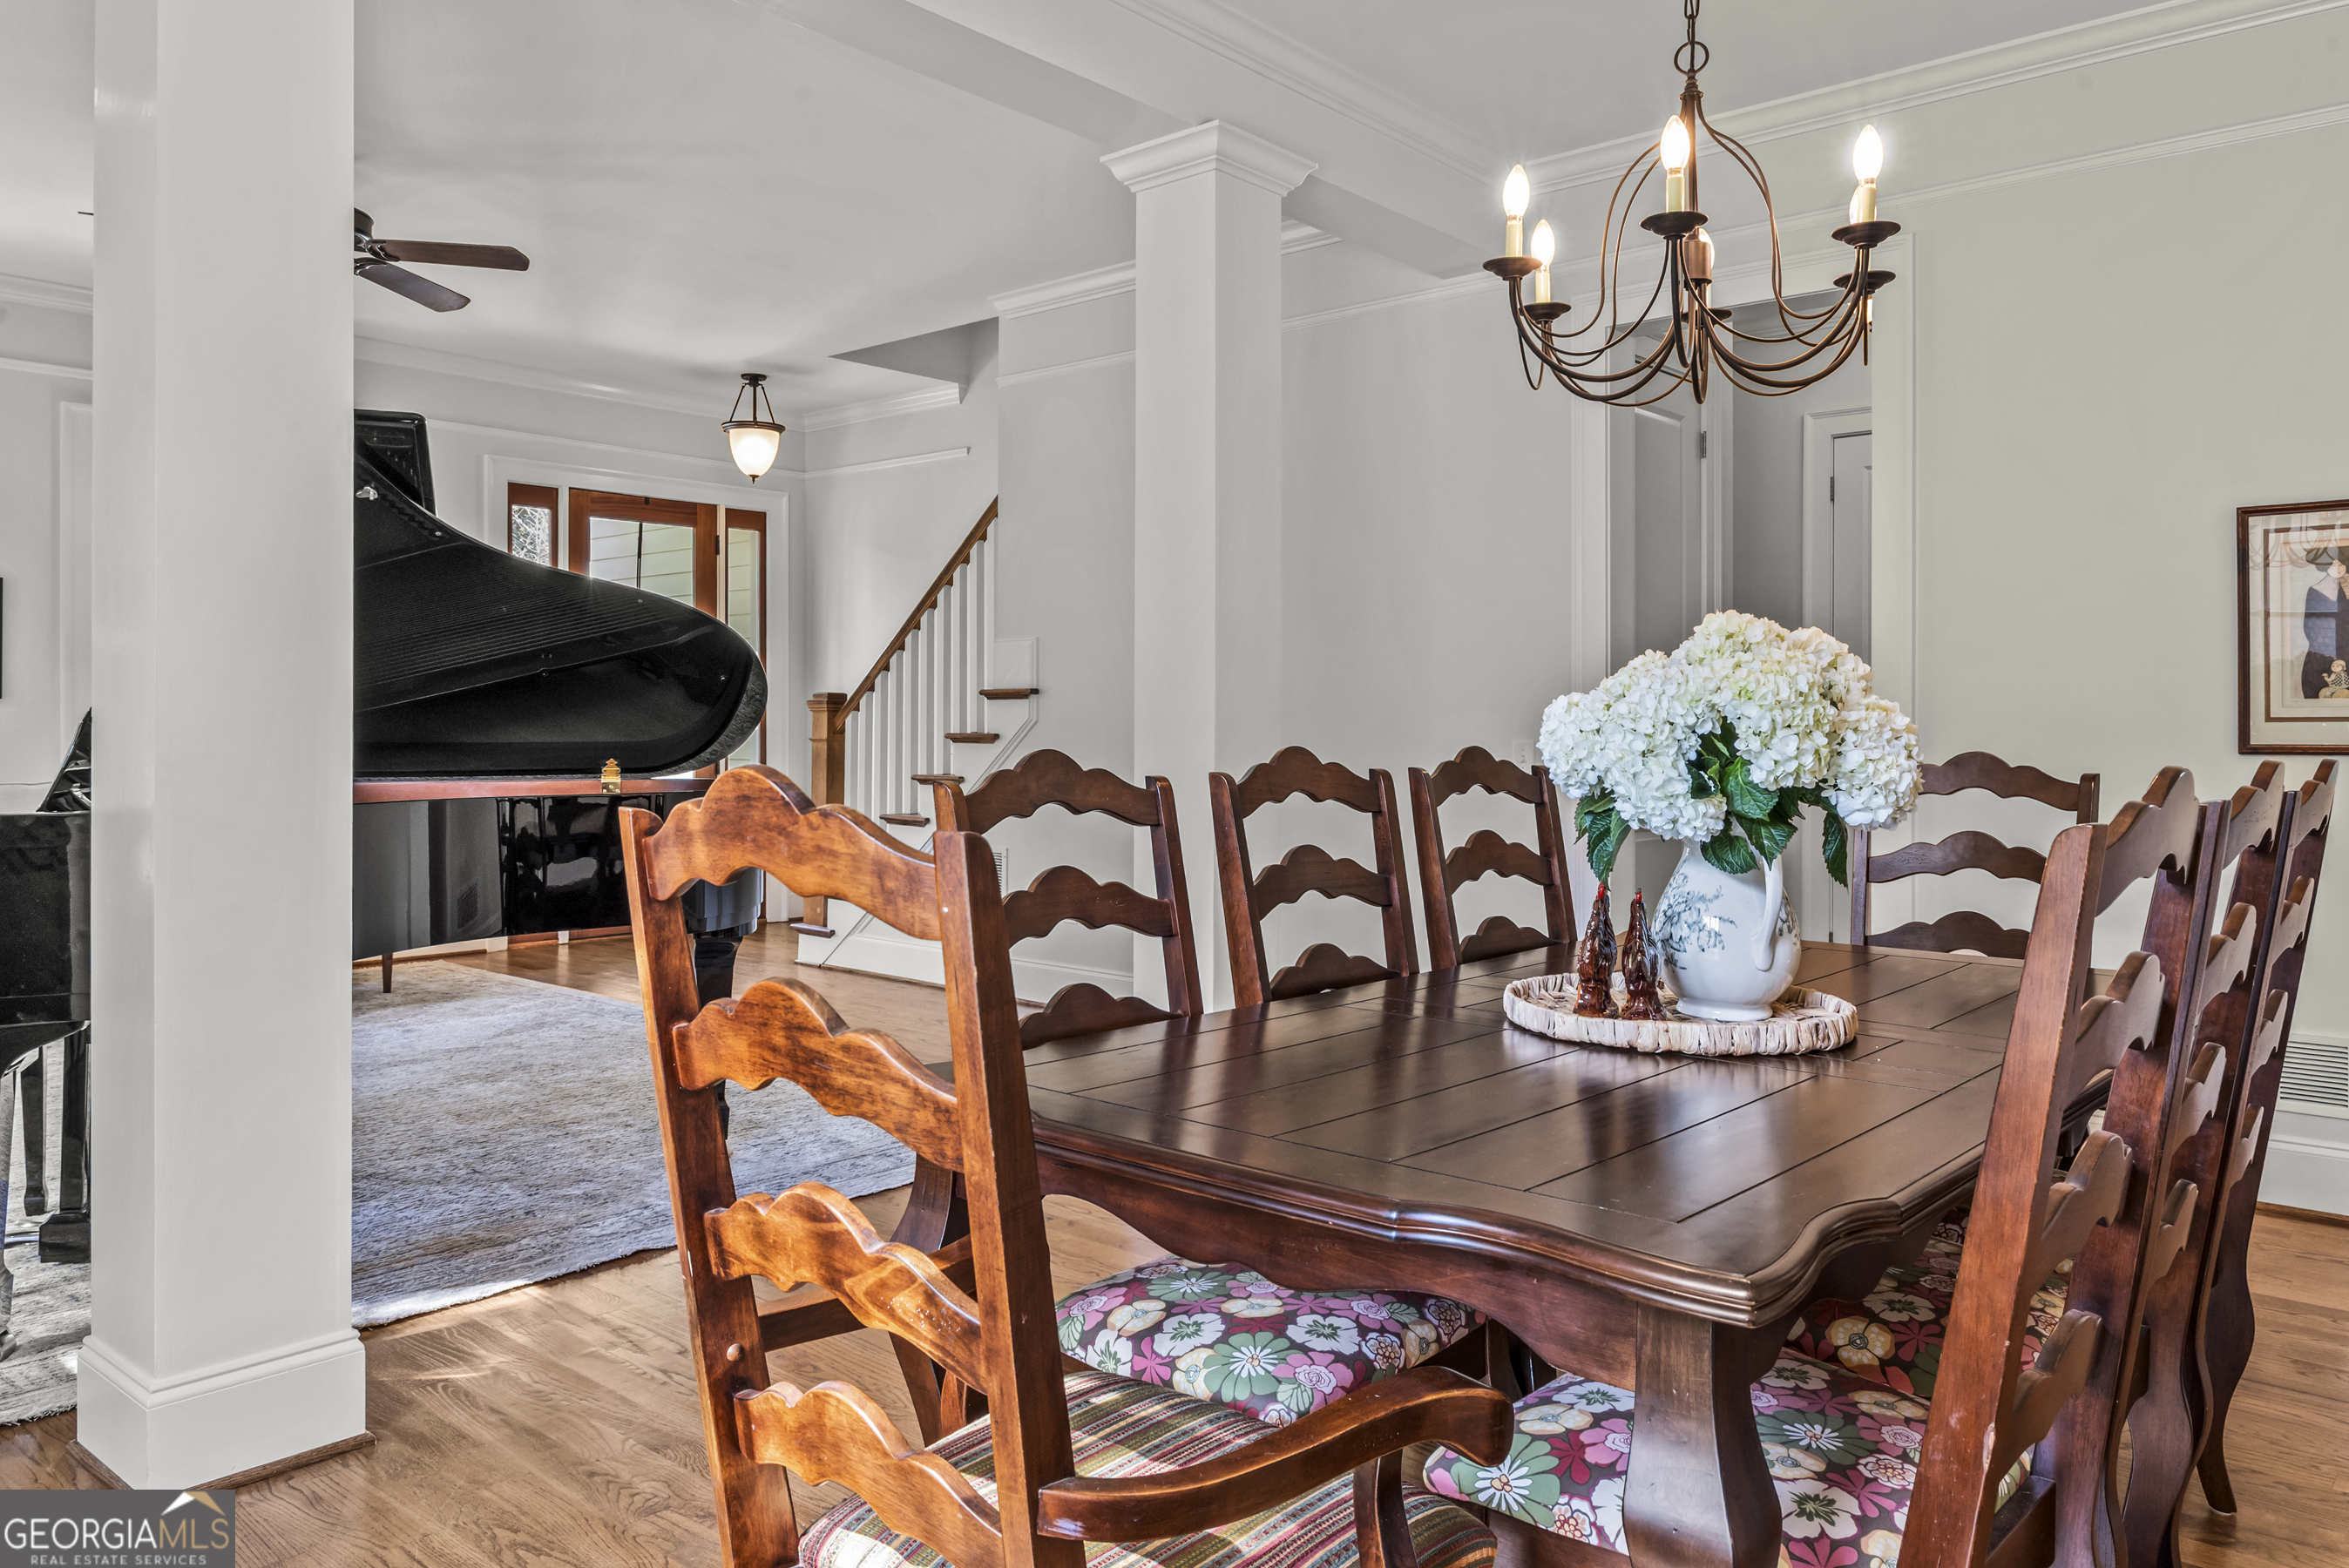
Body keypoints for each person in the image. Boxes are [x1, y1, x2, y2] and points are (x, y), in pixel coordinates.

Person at [2305, 558, 2348, 700]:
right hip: (2324, 645)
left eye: (2341, 564)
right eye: (2333, 564)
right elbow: (2310, 621)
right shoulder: (2316, 590)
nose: (2338, 568)